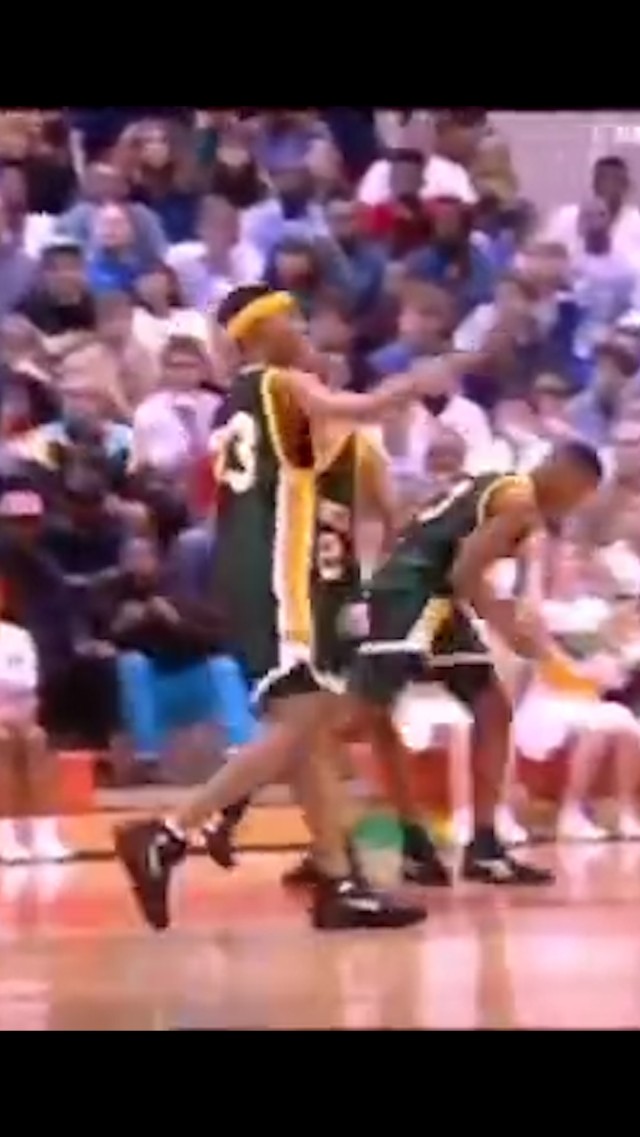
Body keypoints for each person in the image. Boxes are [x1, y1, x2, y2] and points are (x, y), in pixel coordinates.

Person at [114, 282, 503, 932]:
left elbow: (378, 502)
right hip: (279, 577)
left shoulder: (257, 410)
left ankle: (335, 876)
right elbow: (364, 405)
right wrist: (421, 379)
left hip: (281, 579)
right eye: (291, 320)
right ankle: (173, 830)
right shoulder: (275, 383)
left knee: (310, 728)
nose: (302, 329)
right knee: (309, 720)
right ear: (259, 332)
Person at [347, 443, 604, 884]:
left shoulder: (498, 488)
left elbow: (425, 534)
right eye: (580, 493)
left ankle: (482, 845)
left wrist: (513, 617)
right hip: (415, 594)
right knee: (360, 713)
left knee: (492, 708)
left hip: (434, 596)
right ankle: (358, 834)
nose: (575, 504)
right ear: (567, 478)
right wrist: (506, 627)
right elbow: (463, 573)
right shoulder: (519, 502)